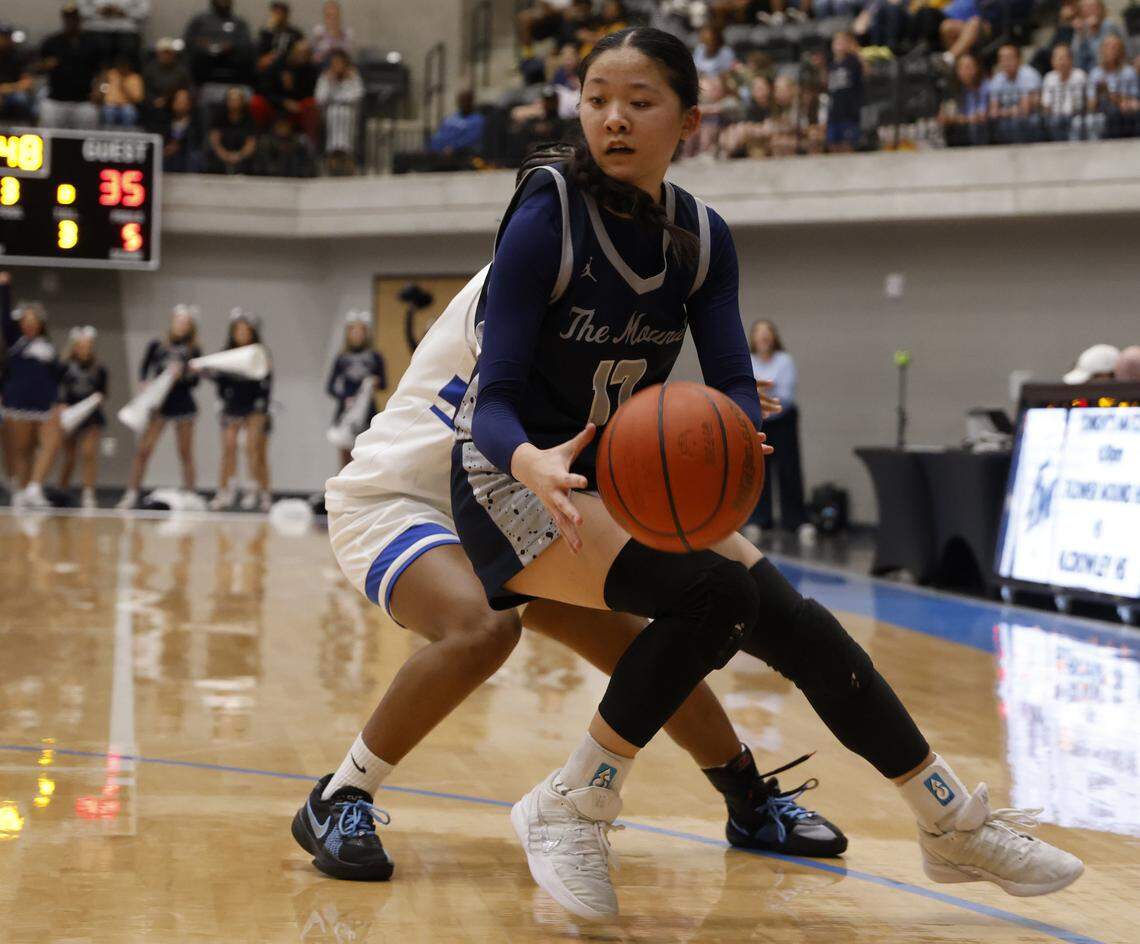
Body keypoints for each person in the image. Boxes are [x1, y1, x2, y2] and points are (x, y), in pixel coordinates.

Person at [447, 27, 1083, 919]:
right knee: (716, 596)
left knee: (797, 621)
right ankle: (570, 803)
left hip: (617, 486)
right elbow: (496, 396)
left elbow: (734, 379)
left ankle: (945, 818)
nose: (613, 119)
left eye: (640, 101)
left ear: (691, 122)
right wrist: (531, 462)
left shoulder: (701, 237)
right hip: (511, 480)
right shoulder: (546, 213)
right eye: (596, 99)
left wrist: (737, 435)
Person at [294, 224, 844, 889]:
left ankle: (748, 798)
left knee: (643, 644)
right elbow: (544, 413)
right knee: (483, 627)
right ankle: (340, 796)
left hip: (517, 498)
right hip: (403, 499)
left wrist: (710, 415)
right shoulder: (522, 278)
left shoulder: (611, 291)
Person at [117, 305, 202, 509]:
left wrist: (183, 376)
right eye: (178, 321)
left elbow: (195, 380)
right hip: (160, 404)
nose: (181, 326)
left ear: (190, 327)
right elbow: (145, 366)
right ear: (172, 322)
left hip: (183, 404)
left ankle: (190, 493)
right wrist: (144, 382)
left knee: (185, 452)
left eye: (185, 323)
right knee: (144, 449)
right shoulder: (158, 345)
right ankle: (131, 492)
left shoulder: (194, 349)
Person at [743, 319, 812, 542]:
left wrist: (762, 387)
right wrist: (766, 387)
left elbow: (786, 392)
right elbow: (748, 388)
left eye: (767, 332)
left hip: (784, 419)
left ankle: (796, 520)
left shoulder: (785, 360)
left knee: (789, 469)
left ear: (773, 337)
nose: (763, 337)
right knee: (759, 469)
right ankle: (759, 519)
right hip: (758, 420)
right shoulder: (748, 361)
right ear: (753, 339)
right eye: (759, 333)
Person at [1, 275, 62, 510]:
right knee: (22, 450)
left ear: (40, 323)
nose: (30, 323)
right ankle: (20, 490)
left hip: (45, 403)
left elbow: (57, 376)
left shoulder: (47, 346)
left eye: (34, 319)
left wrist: (59, 400)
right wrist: (5, 287)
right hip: (19, 401)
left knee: (51, 442)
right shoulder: (15, 340)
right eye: (26, 319)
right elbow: (4, 317)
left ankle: (35, 487)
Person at [209, 309, 273, 511]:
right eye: (238, 330)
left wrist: (260, 406)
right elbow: (220, 381)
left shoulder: (260, 352)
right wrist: (222, 400)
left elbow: (266, 382)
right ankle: (225, 489)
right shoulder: (226, 353)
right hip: (231, 407)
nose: (242, 334)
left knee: (252, 449)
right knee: (228, 448)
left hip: (254, 408)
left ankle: (258, 491)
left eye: (246, 330)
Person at [50, 326, 108, 509]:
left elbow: (103, 392)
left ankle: (88, 492)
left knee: (89, 453)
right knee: (69, 456)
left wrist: (98, 400)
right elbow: (56, 389)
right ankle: (62, 489)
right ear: (74, 346)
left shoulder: (100, 368)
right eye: (80, 345)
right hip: (69, 415)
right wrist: (60, 404)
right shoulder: (64, 366)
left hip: (91, 415)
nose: (84, 348)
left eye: (87, 345)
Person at [325, 311, 387, 469]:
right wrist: (344, 396)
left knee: (365, 453)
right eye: (353, 330)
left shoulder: (375, 357)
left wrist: (375, 383)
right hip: (345, 411)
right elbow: (330, 386)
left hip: (367, 411)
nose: (357, 334)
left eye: (361, 330)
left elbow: (384, 383)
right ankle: (343, 487)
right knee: (344, 453)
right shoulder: (342, 357)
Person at [36, 4, 101, 130]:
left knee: (87, 129)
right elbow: (36, 68)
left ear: (79, 19)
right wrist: (45, 65)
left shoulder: (92, 43)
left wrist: (100, 90)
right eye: (68, 18)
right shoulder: (51, 42)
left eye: (74, 18)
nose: (71, 22)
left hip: (83, 101)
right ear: (64, 19)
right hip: (56, 100)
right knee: (48, 133)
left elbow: (101, 70)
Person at [184, 0, 255, 88]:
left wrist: (231, 46)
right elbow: (189, 42)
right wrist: (204, 47)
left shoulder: (239, 23)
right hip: (202, 78)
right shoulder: (199, 21)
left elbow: (246, 45)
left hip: (234, 80)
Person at [314, 49, 363, 174]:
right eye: (334, 63)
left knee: (344, 114)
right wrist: (331, 82)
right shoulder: (325, 77)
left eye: (340, 63)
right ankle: (332, 153)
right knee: (334, 113)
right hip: (330, 111)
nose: (337, 66)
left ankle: (347, 153)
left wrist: (347, 83)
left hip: (349, 111)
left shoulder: (353, 76)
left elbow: (357, 95)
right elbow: (320, 98)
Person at [986, 43, 1042, 144]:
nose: (1005, 62)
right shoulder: (998, 79)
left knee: (1019, 121)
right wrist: (1010, 111)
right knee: (991, 123)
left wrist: (1003, 112)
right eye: (1002, 59)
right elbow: (993, 111)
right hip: (1008, 118)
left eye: (1009, 58)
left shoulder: (1028, 74)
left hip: (1030, 117)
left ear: (1019, 59)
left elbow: (1025, 109)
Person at [75, 0, 149, 70]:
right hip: (96, 28)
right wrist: (99, 10)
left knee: (129, 50)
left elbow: (144, 11)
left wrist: (123, 12)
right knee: (92, 51)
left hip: (126, 29)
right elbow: (81, 9)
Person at [825, 31, 863, 153]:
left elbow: (866, 71)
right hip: (834, 112)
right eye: (836, 42)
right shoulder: (831, 65)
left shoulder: (853, 61)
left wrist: (856, 51)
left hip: (849, 111)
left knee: (847, 145)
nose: (839, 46)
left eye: (842, 42)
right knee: (832, 143)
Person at [206, 86, 258, 174]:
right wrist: (225, 155)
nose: (234, 102)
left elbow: (251, 142)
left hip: (242, 157)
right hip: (221, 156)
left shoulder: (249, 118)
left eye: (237, 100)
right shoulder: (219, 116)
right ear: (226, 101)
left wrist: (239, 156)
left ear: (242, 101)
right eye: (231, 99)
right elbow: (215, 140)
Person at [1041, 43, 1088, 141]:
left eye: (1063, 58)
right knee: (1051, 121)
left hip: (1075, 113)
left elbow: (1080, 102)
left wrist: (1068, 112)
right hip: (1055, 115)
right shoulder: (1049, 78)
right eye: (1057, 58)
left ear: (1071, 60)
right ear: (1052, 62)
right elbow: (1046, 104)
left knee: (1077, 122)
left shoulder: (1080, 76)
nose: (1061, 62)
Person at [158, 87, 206, 173]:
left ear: (189, 104)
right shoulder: (163, 121)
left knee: (193, 156)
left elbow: (198, 143)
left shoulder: (196, 123)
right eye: (178, 100)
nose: (180, 103)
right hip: (167, 155)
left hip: (187, 155)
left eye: (183, 101)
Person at [0, 23, 36, 122]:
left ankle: (21, 129)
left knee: (20, 99)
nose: (3, 40)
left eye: (6, 36)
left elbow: (27, 83)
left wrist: (6, 89)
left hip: (13, 92)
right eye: (2, 36)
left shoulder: (19, 55)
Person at [95, 53, 144, 126]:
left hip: (126, 106)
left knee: (129, 112)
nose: (122, 67)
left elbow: (138, 99)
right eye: (120, 64)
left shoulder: (135, 78)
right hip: (110, 105)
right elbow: (103, 89)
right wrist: (100, 93)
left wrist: (124, 87)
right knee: (108, 111)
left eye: (124, 65)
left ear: (129, 65)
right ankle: (108, 134)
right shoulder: (110, 74)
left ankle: (128, 135)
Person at [310, 0, 355, 67]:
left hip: (343, 66)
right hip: (323, 65)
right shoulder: (318, 31)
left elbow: (349, 55)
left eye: (335, 16)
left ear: (339, 16)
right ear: (324, 16)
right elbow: (316, 57)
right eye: (329, 16)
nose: (332, 19)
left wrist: (337, 35)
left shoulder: (348, 32)